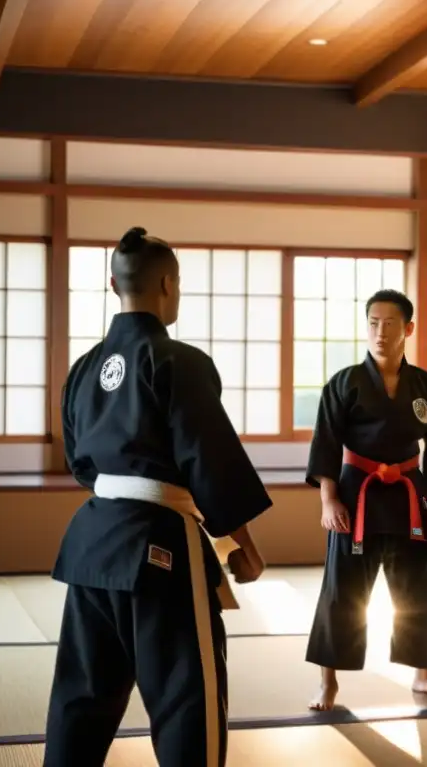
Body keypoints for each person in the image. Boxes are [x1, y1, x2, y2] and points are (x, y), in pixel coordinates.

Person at [44, 227, 273, 767]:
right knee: (186, 701)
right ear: (169, 285)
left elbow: (80, 463)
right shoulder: (180, 361)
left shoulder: (83, 369)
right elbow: (209, 460)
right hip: (159, 548)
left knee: (81, 698)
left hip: (92, 542)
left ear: (112, 284)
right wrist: (247, 544)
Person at [303, 289, 427, 711]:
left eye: (390, 324)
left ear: (407, 330)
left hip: (409, 497)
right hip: (356, 495)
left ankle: (424, 674)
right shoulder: (344, 383)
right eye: (373, 323)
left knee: (417, 589)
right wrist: (328, 500)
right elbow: (325, 443)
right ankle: (328, 682)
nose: (380, 332)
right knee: (342, 591)